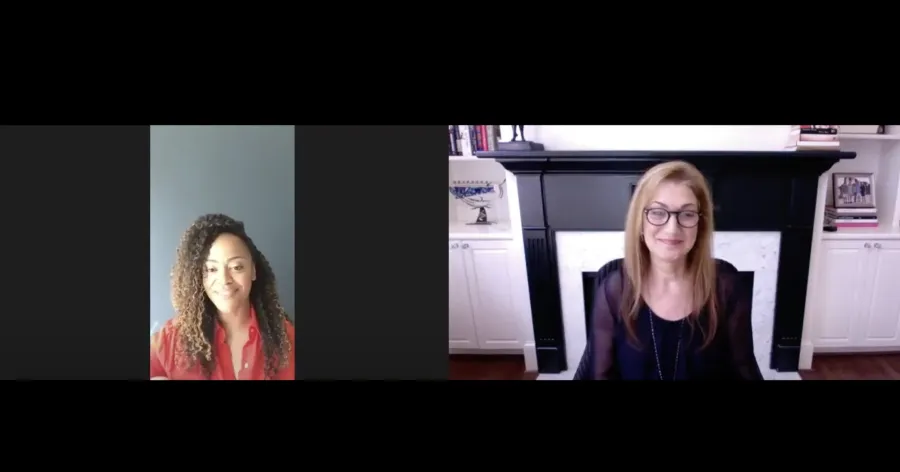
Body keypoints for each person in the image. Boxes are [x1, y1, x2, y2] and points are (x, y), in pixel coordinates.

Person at [577, 160, 763, 380]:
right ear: (639, 221)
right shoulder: (613, 291)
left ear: (700, 224)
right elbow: (600, 376)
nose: (672, 228)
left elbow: (745, 372)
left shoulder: (726, 289)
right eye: (657, 212)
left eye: (687, 214)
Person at [150, 214, 294, 380]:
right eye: (211, 269)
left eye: (236, 267)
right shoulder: (169, 342)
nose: (225, 280)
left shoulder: (287, 339)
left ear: (253, 270)